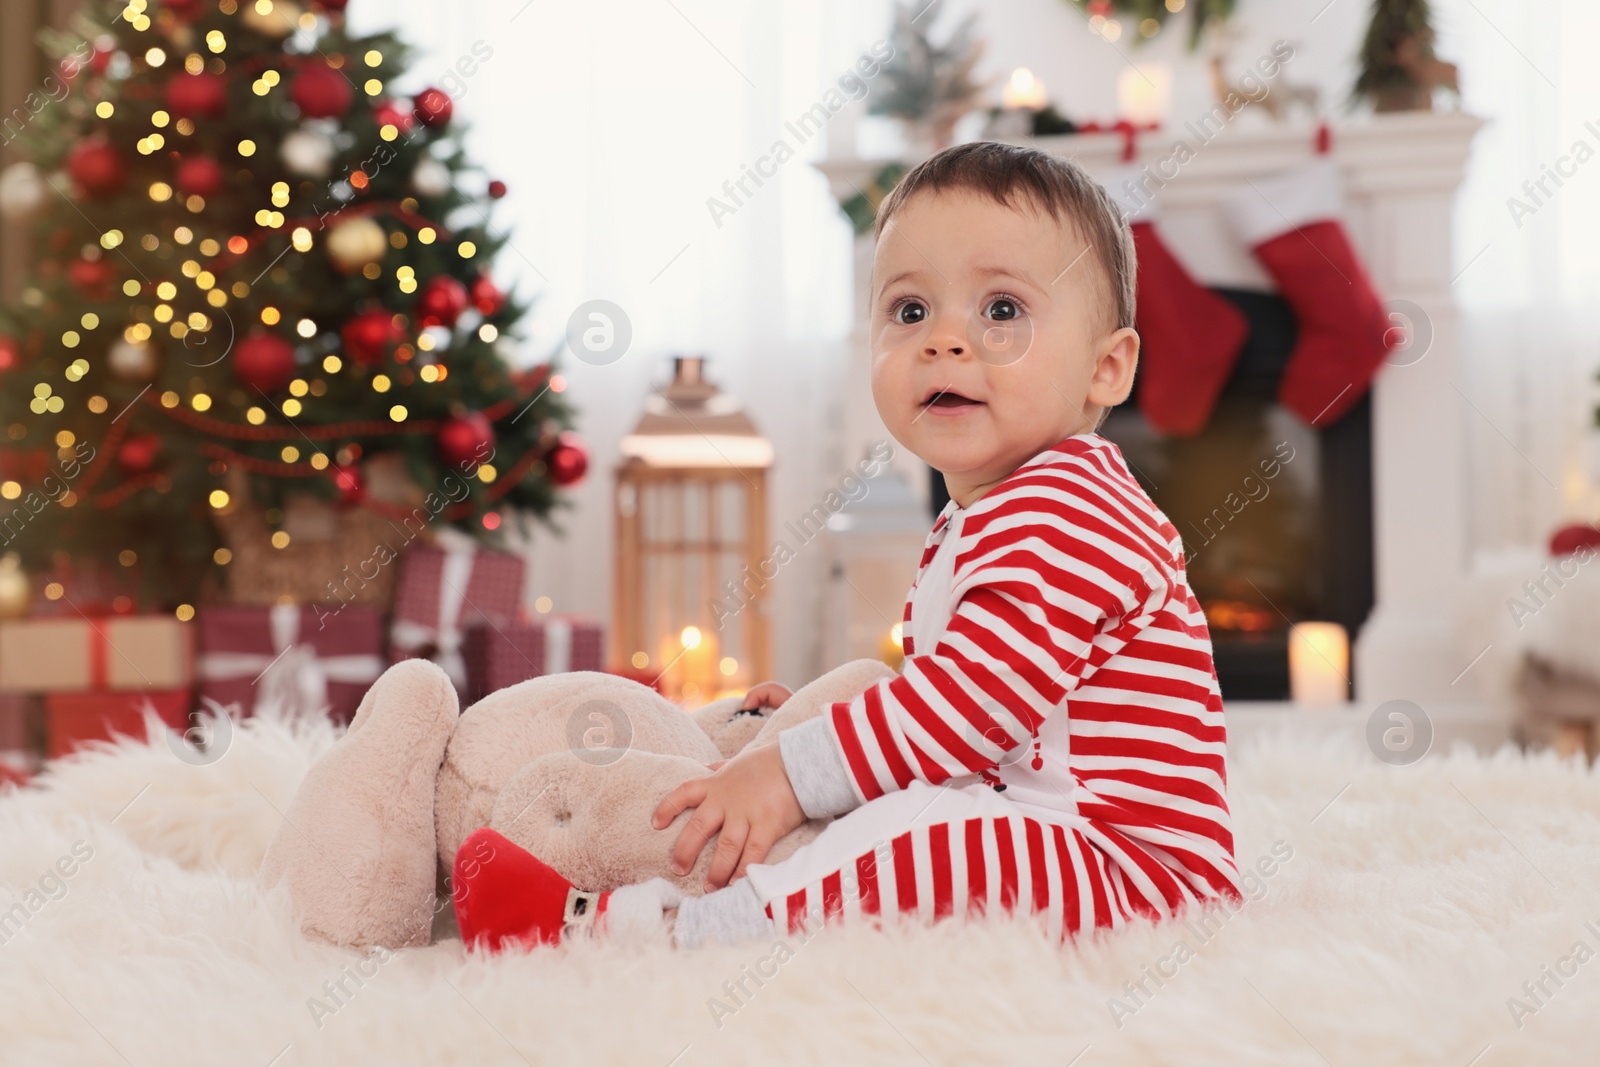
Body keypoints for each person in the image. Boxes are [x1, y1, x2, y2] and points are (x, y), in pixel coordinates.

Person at [452, 141, 1243, 951]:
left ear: (1106, 368)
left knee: (925, 837)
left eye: (1002, 310)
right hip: (1048, 828)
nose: (945, 340)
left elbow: (965, 710)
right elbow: (952, 707)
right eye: (910, 311)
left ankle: (637, 932)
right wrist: (815, 719)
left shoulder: (1071, 508)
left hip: (1133, 871)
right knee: (895, 808)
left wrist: (789, 770)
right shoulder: (989, 513)